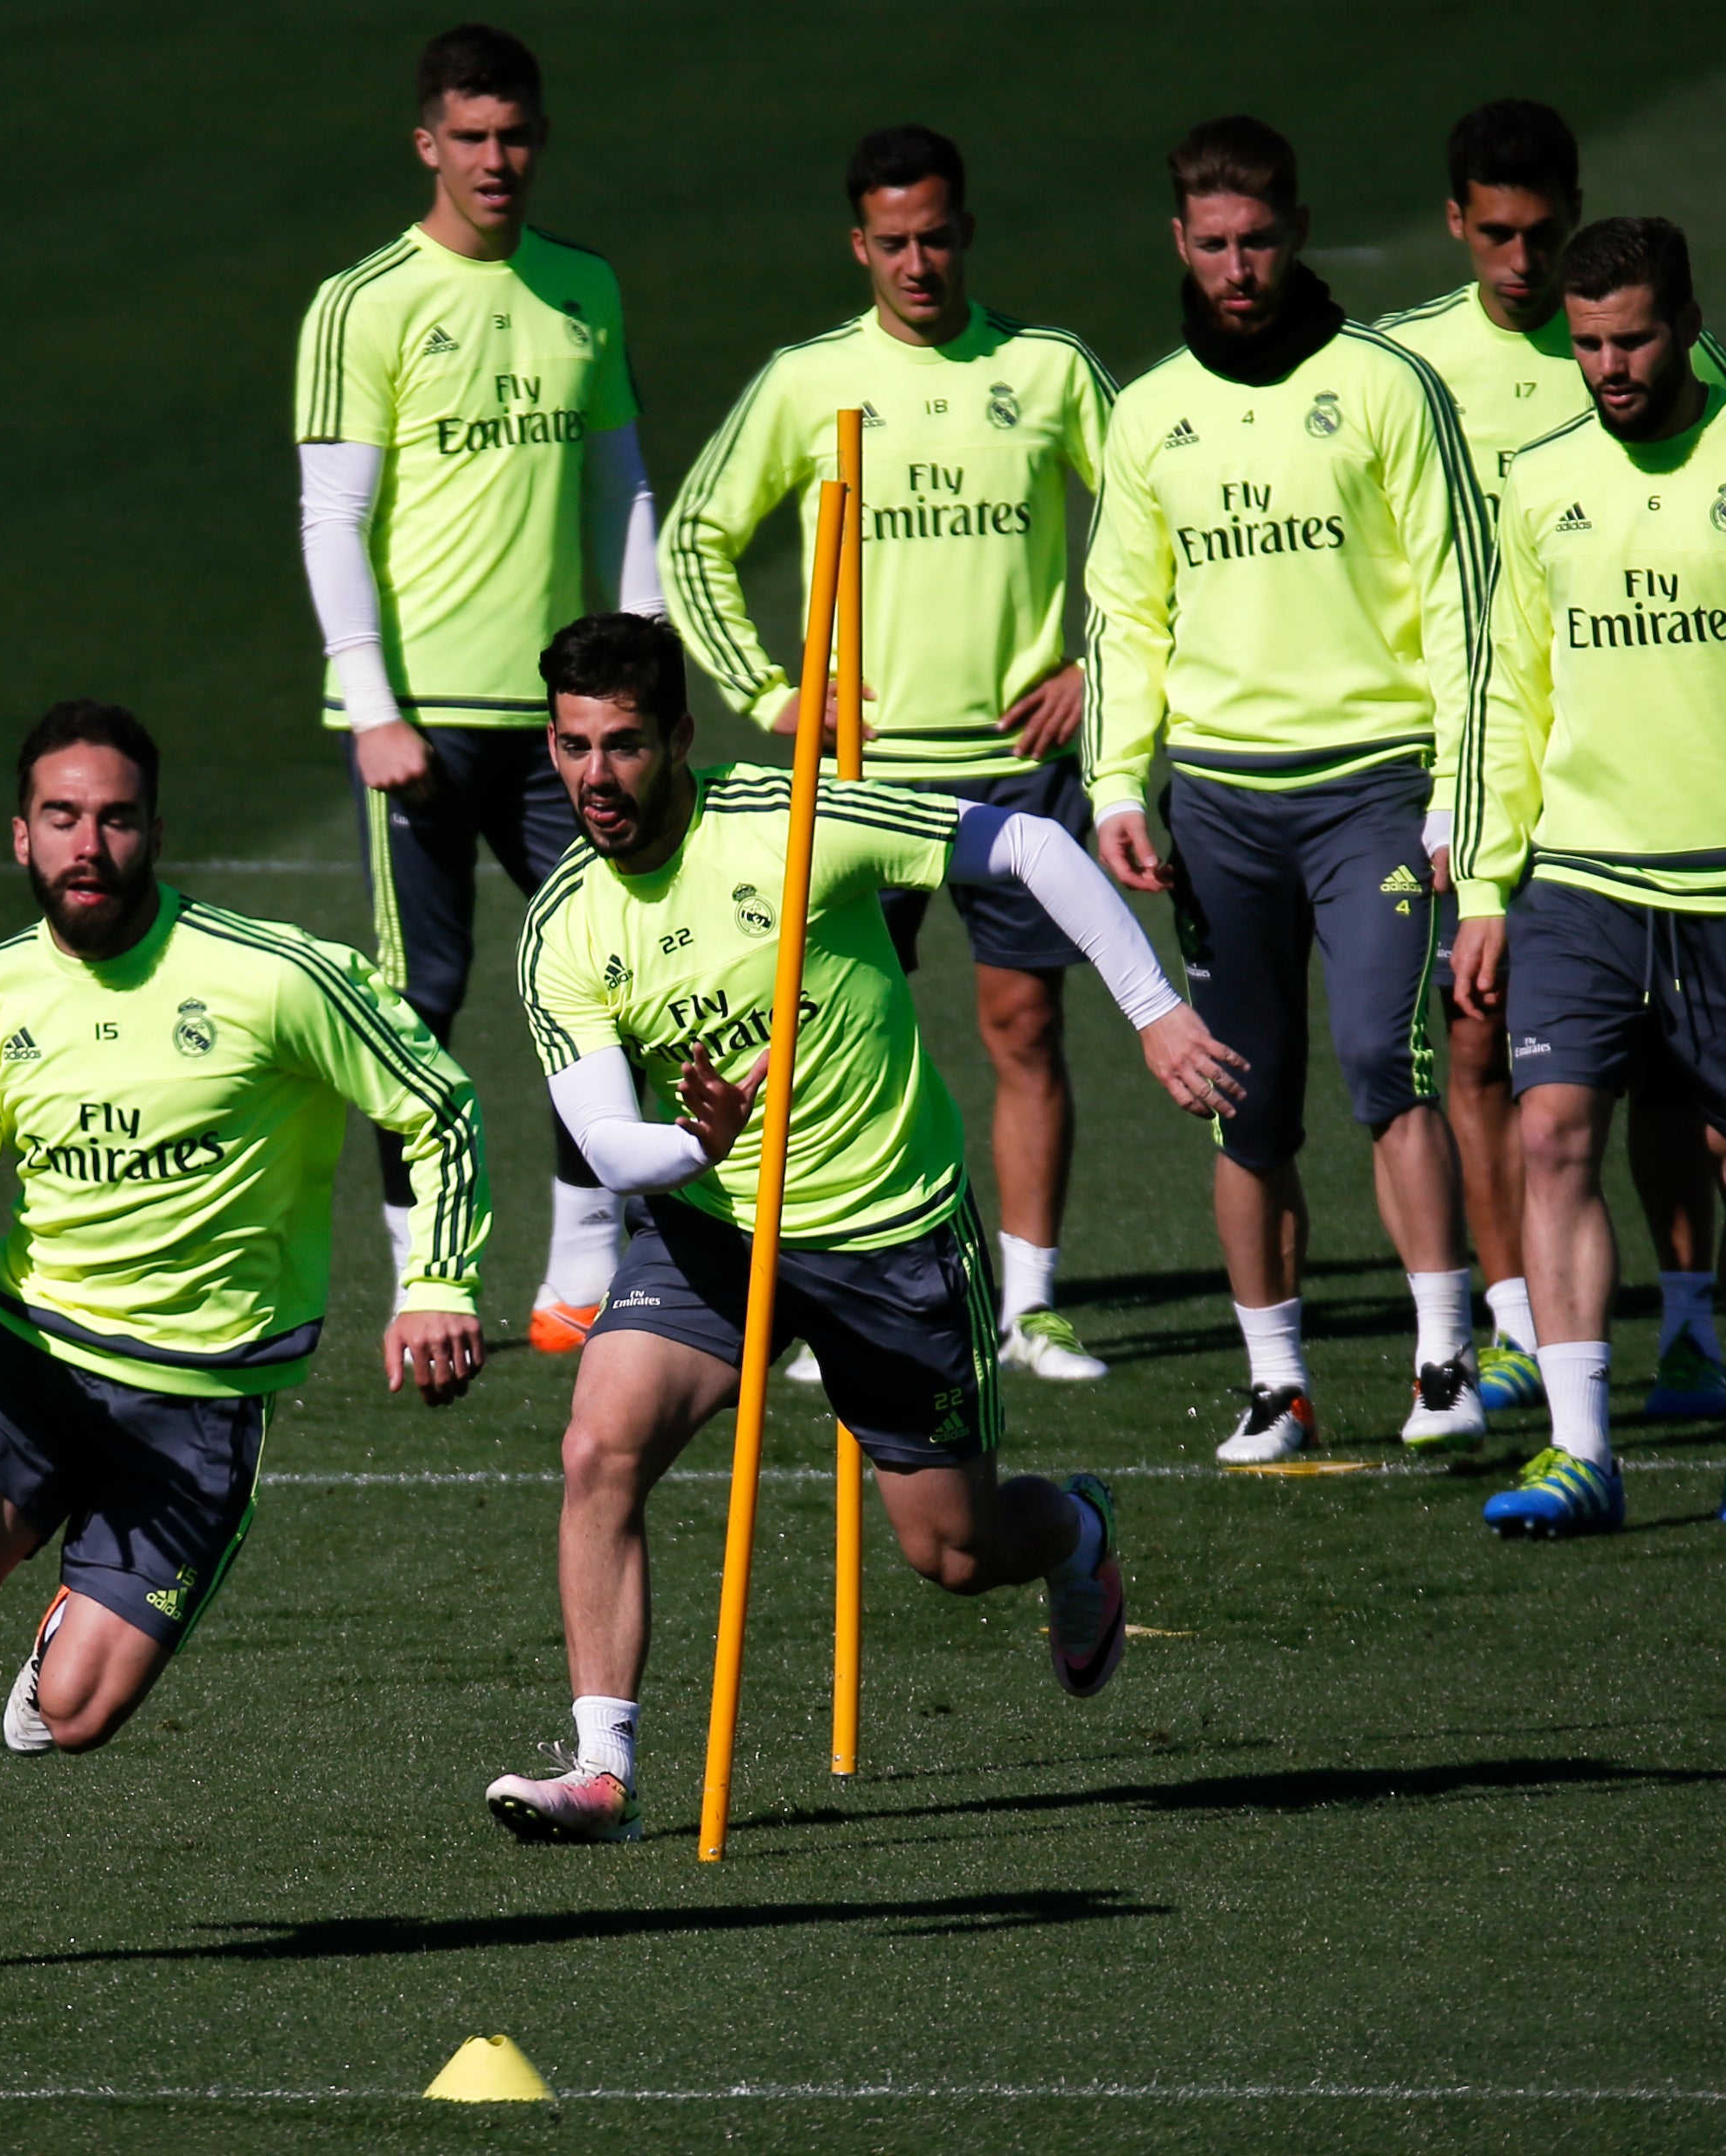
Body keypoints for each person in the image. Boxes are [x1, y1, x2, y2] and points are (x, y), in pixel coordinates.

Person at [484, 615, 1241, 1843]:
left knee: (950, 1554)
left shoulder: (796, 822)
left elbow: (1035, 848)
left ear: (678, 736)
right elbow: (611, 1143)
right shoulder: (561, 928)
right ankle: (602, 1768)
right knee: (596, 1448)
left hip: (889, 1229)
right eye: (571, 748)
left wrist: (1153, 1013)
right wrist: (699, 1151)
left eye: (623, 746)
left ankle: (1075, 1529)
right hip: (713, 1229)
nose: (595, 778)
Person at [0, 702, 489, 1981]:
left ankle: (66, 1646)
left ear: (155, 832)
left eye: (115, 818)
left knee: (74, 1719)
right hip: (30, 1359)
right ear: (21, 835)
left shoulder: (272, 976)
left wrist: (437, 1282)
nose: (88, 844)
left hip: (198, 1407)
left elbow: (436, 1102)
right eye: (62, 818)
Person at [1452, 216, 1726, 1536]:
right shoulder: (1537, 483)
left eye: (1631, 338)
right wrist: (1483, 889)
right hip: (1579, 878)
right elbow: (1502, 696)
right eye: (1586, 344)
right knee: (1549, 1133)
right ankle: (1582, 1451)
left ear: (1687, 323)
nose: (1608, 366)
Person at [660, 124, 1119, 1382]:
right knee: (821, 1033)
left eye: (936, 236)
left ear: (965, 230)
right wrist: (767, 689)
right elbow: (694, 534)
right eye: (892, 242)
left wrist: (1097, 664)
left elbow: (1150, 525)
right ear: (859, 244)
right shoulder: (810, 379)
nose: (917, 262)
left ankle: (1029, 1304)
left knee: (1022, 1024)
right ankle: (832, 1295)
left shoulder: (1048, 367)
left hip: (1015, 761)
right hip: (860, 774)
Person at [1084, 115, 1492, 1464]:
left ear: (1296, 231)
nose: (1238, 267)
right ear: (1179, 245)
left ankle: (1446, 1356)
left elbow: (1457, 594)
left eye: (1258, 241)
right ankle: (1278, 1382)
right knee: (1240, 1099)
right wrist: (1115, 787)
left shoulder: (1383, 384)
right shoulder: (1148, 413)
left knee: (1389, 1059)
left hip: (1372, 790)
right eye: (1213, 245)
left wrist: (1453, 789)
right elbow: (1123, 616)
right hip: (1216, 803)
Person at [1376, 98, 1726, 1425]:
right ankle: (1517, 1327)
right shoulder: (1406, 365)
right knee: (1483, 1052)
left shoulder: (1673, 367)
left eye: (1540, 237)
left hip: (1659, 776)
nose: (1517, 263)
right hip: (1472, 757)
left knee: (1665, 1073)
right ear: (1455, 225)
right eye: (1493, 235)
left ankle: (1679, 1324)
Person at [293, 22, 657, 1355]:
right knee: (419, 1002)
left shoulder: (583, 290)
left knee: (595, 981)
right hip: (422, 722)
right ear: (426, 146)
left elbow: (622, 483)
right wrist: (373, 705)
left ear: (537, 141)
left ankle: (579, 1274)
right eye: (471, 138)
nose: (495, 161)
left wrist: (644, 661)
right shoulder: (364, 302)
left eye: (515, 137)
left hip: (564, 721)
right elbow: (333, 517)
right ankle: (425, 1280)